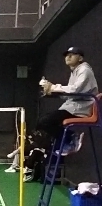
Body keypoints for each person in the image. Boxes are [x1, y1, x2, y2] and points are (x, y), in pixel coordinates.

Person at [15, 46, 98, 181]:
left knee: (45, 121)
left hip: (81, 109)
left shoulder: (84, 70)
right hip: (73, 106)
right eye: (67, 55)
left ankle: (71, 138)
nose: (68, 57)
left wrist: (53, 87)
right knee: (43, 123)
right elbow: (69, 94)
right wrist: (50, 92)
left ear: (80, 58)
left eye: (72, 54)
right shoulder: (75, 72)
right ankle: (59, 143)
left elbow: (75, 90)